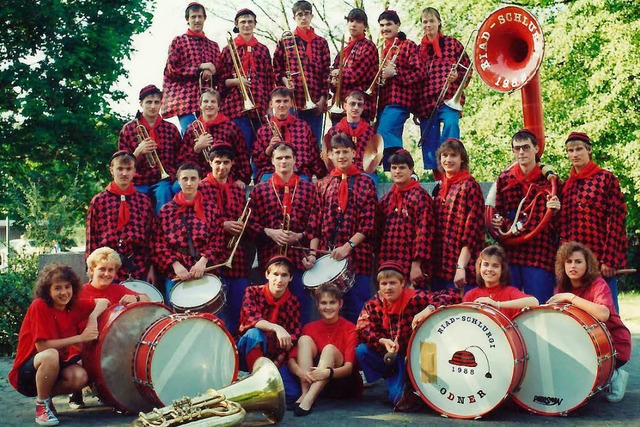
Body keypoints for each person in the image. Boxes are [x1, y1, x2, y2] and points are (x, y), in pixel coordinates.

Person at [8, 263, 109, 426]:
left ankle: (46, 397)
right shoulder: (39, 305)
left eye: (67, 287)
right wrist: (80, 338)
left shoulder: (73, 305)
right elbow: (43, 348)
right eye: (57, 288)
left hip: (54, 368)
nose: (64, 292)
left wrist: (92, 318)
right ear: (48, 290)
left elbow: (103, 301)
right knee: (51, 354)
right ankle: (41, 406)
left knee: (80, 376)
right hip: (27, 374)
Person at [357, 261, 460, 412]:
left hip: (416, 357)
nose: (388, 288)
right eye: (384, 283)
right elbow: (362, 328)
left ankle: (409, 385)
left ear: (402, 283)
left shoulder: (415, 297)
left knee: (399, 400)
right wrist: (383, 341)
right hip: (390, 356)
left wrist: (429, 308)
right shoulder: (372, 304)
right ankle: (394, 380)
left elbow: (453, 295)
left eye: (392, 283)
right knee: (362, 351)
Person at [548, 241, 631, 402]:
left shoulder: (598, 284)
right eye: (569, 261)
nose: (573, 265)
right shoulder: (562, 287)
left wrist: (570, 298)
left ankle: (614, 376)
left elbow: (603, 314)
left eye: (578, 261)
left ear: (588, 265)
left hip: (614, 344)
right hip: (585, 342)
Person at [247, 142, 320, 323]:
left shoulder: (309, 189)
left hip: (299, 258)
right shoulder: (259, 190)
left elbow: (316, 222)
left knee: (299, 309)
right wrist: (269, 232)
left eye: (288, 157)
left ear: (295, 160)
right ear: (272, 161)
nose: (283, 161)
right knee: (268, 310)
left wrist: (300, 236)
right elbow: (249, 223)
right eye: (279, 158)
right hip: (270, 258)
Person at [559, 131, 628, 312]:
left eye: (579, 149)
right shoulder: (566, 185)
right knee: (575, 315)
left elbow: (616, 221)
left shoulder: (606, 179)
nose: (574, 154)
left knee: (606, 312)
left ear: (589, 150)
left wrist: (610, 260)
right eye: (570, 150)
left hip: (600, 260)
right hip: (573, 263)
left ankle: (614, 342)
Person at [490, 129, 561, 304]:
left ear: (536, 149)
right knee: (509, 305)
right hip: (512, 252)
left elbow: (561, 221)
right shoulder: (504, 179)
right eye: (517, 148)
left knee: (539, 304)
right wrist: (498, 221)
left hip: (540, 252)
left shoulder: (550, 181)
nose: (521, 152)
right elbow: (498, 209)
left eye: (526, 148)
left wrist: (556, 209)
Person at [314, 134, 377, 323]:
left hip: (358, 259)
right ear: (330, 156)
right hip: (329, 260)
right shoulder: (323, 184)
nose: (341, 156)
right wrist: (313, 253)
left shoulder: (366, 182)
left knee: (357, 311)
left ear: (354, 153)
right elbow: (315, 221)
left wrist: (347, 247)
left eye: (345, 152)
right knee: (329, 312)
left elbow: (368, 223)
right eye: (336, 152)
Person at [283, 284, 361, 416]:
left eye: (332, 302)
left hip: (341, 382)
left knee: (329, 349)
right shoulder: (309, 327)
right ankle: (305, 393)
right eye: (324, 303)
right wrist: (300, 372)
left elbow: (348, 368)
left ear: (340, 304)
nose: (328, 307)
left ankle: (308, 400)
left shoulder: (350, 328)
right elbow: (291, 359)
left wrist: (327, 373)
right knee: (304, 340)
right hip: (315, 381)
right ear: (317, 306)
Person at [199, 143, 251, 334]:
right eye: (218, 162)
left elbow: (244, 220)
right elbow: (197, 222)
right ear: (210, 162)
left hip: (236, 260)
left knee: (239, 312)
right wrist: (223, 225)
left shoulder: (238, 190)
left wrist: (241, 226)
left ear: (232, 163)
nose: (222, 167)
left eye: (226, 163)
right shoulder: (200, 188)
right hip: (211, 259)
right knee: (215, 317)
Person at [154, 162, 223, 303]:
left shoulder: (211, 208)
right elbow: (159, 243)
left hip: (206, 270)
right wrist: (175, 265)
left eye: (193, 178)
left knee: (209, 318)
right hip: (177, 272)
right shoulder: (166, 210)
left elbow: (218, 240)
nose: (189, 183)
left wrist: (203, 262)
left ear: (199, 180)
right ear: (178, 181)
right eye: (185, 179)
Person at [86, 150, 155, 284]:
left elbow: (150, 237)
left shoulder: (144, 201)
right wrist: (91, 268)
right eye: (120, 169)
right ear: (112, 170)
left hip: (137, 265)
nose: (124, 173)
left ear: (135, 171)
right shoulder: (99, 201)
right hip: (107, 265)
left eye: (128, 169)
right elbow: (91, 237)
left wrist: (151, 267)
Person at [415, 7, 471, 171]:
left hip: (449, 99)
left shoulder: (452, 43)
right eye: (425, 22)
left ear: (439, 22)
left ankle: (453, 168)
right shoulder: (419, 51)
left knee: (451, 125)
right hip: (426, 103)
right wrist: (415, 109)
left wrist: (457, 78)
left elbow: (467, 68)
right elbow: (416, 80)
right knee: (430, 142)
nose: (428, 25)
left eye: (432, 20)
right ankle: (438, 180)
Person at [118, 84, 181, 214]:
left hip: (162, 179)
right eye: (149, 102)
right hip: (137, 180)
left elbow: (180, 157)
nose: (153, 106)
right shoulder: (129, 129)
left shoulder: (171, 129)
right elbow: (120, 162)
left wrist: (174, 174)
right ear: (141, 104)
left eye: (156, 102)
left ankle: (163, 230)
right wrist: (138, 152)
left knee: (164, 198)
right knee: (135, 210)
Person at [272, 0, 330, 142]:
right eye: (299, 15)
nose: (303, 18)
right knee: (293, 142)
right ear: (294, 18)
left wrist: (323, 99)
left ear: (311, 16)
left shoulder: (321, 42)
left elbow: (326, 73)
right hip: (293, 101)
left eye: (306, 14)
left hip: (315, 101)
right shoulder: (285, 40)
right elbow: (276, 69)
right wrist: (285, 81)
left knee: (314, 142)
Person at [431, 138, 484, 292]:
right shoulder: (440, 188)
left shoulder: (470, 186)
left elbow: (472, 233)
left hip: (461, 269)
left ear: (462, 159)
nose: (448, 160)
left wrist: (461, 267)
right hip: (439, 268)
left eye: (453, 155)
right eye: (444, 155)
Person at [219, 8, 275, 153]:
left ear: (255, 24)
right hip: (236, 107)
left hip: (260, 105)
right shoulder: (228, 49)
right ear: (237, 25)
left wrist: (269, 106)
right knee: (242, 148)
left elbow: (269, 79)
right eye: (243, 22)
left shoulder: (263, 49)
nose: (246, 25)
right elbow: (220, 81)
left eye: (250, 22)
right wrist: (237, 81)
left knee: (260, 148)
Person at [376, 149, 434, 289]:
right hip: (389, 263)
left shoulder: (420, 196)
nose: (397, 171)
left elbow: (424, 232)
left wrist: (417, 264)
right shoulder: (387, 199)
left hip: (412, 266)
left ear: (411, 169)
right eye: (394, 168)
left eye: (402, 167)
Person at [161, 2, 220, 135]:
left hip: (208, 101)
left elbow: (219, 71)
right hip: (185, 101)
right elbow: (172, 70)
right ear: (187, 19)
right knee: (191, 135)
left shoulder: (213, 46)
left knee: (210, 138)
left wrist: (211, 73)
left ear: (205, 18)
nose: (197, 20)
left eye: (200, 16)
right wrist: (199, 68)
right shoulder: (179, 41)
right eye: (193, 17)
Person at [236, 255, 302, 374]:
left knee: (291, 391)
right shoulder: (252, 292)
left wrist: (276, 363)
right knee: (254, 333)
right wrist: (277, 328)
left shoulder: (293, 302)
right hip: (248, 349)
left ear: (291, 278)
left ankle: (265, 376)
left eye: (284, 275)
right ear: (267, 275)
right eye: (275, 274)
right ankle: (258, 377)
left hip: (275, 357)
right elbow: (252, 319)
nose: (279, 280)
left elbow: (293, 337)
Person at [374, 11, 422, 170]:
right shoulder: (382, 49)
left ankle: (405, 169)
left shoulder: (408, 45)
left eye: (389, 24)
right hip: (384, 102)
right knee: (385, 137)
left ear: (397, 25)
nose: (385, 28)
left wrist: (395, 73)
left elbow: (420, 72)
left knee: (385, 133)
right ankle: (392, 172)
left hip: (400, 100)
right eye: (382, 25)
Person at [179, 89, 251, 187]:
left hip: (228, 177)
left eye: (213, 101)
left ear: (219, 106)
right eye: (205, 101)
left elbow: (242, 155)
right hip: (200, 179)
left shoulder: (231, 127)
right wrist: (197, 148)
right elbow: (182, 160)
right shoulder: (192, 129)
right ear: (200, 106)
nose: (209, 105)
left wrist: (241, 178)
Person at [252, 87, 326, 182]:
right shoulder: (263, 130)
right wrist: (269, 149)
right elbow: (257, 162)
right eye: (278, 101)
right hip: (271, 172)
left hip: (299, 172)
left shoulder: (303, 127)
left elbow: (314, 154)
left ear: (291, 103)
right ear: (271, 104)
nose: (282, 105)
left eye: (285, 101)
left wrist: (318, 175)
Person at [329, 8, 378, 124]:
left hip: (359, 109)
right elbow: (333, 73)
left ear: (364, 26)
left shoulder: (368, 46)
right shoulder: (344, 49)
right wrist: (332, 81)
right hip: (340, 107)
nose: (353, 24)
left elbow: (355, 75)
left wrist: (338, 73)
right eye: (351, 21)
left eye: (358, 22)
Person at [463, 245, 538, 319]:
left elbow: (534, 302)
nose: (489, 269)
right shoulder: (470, 295)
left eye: (495, 266)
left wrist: (497, 304)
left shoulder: (510, 292)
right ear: (479, 267)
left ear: (502, 270)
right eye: (486, 265)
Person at [323, 90, 378, 183]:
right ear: (345, 106)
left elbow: (374, 158)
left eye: (359, 104)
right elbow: (329, 158)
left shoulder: (371, 131)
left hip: (364, 172)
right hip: (340, 171)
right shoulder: (333, 131)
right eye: (352, 104)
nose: (356, 108)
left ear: (363, 108)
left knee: (369, 184)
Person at [81, 247, 151, 305]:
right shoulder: (79, 292)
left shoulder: (119, 290)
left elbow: (147, 299)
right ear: (91, 270)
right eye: (102, 269)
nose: (106, 274)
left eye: (110, 270)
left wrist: (136, 298)